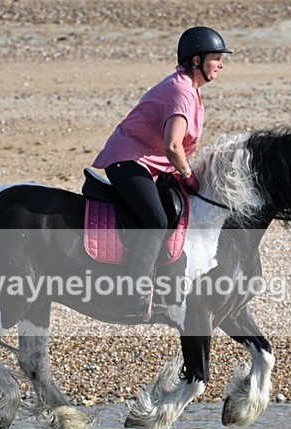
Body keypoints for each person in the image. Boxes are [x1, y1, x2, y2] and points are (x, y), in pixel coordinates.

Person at [92, 26, 232, 321]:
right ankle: (135, 297)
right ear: (196, 61)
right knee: (155, 219)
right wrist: (188, 175)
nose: (221, 64)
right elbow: (172, 145)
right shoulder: (181, 91)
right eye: (216, 58)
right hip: (129, 160)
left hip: (151, 163)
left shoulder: (190, 89)